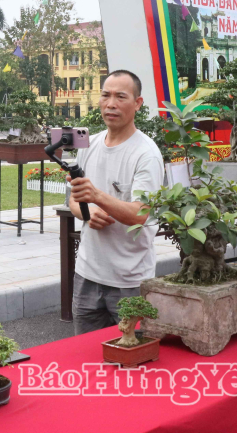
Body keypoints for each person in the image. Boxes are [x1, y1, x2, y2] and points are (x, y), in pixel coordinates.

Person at [67, 70, 164, 335]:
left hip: (130, 280)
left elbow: (140, 214)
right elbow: (73, 200)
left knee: (133, 351)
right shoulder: (89, 145)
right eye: (105, 95)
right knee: (85, 352)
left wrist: (97, 196)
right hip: (87, 275)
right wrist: (87, 213)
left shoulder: (146, 154)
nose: (111, 104)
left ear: (138, 103)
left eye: (120, 97)